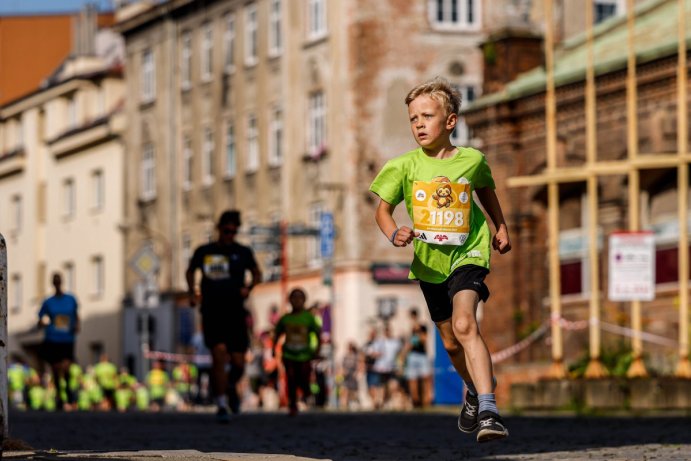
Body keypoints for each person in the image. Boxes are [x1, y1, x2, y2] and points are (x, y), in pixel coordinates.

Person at [369, 77, 511, 442]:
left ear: (450, 122)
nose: (418, 124)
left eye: (427, 116)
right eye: (413, 118)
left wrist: (501, 226)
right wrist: (395, 232)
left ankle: (489, 412)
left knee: (465, 325)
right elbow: (383, 211)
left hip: (470, 252)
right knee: (449, 342)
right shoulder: (403, 166)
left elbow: (486, 192)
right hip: (430, 263)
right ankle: (476, 392)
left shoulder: (472, 160)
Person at [186, 209, 262, 422]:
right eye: (226, 230)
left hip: (236, 312)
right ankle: (221, 404)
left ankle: (229, 387)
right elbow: (190, 270)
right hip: (212, 310)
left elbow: (257, 273)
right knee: (218, 357)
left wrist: (250, 287)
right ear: (219, 228)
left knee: (239, 363)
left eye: (234, 231)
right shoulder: (204, 251)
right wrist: (192, 292)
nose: (230, 235)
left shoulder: (243, 252)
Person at [273, 288, 321, 416]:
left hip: (305, 355)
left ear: (304, 300)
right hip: (289, 354)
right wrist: (274, 349)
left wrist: (317, 350)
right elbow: (277, 334)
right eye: (294, 298)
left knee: (304, 378)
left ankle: (306, 391)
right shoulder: (286, 319)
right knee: (291, 379)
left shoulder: (308, 318)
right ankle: (292, 404)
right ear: (289, 300)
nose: (297, 301)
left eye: (300, 298)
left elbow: (317, 333)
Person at [37, 272, 79, 411]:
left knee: (66, 367)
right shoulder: (48, 302)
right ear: (52, 283)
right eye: (55, 281)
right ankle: (60, 397)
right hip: (52, 339)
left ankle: (68, 394)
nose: (57, 283)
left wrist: (77, 325)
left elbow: (76, 315)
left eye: (58, 281)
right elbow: (40, 318)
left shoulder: (71, 299)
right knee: (55, 369)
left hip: (67, 338)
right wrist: (42, 323)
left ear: (62, 282)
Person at [403, 308, 433, 408]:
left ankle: (427, 401)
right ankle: (415, 401)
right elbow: (408, 343)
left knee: (426, 378)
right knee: (412, 379)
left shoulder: (422, 326)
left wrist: (418, 331)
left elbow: (424, 340)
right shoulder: (410, 329)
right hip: (412, 355)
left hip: (422, 355)